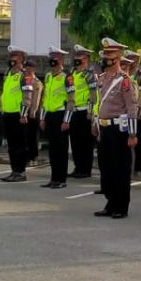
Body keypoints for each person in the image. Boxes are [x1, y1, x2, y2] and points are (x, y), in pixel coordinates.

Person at [94, 38, 138, 218]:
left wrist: (132, 134)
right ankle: (110, 202)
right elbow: (98, 103)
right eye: (105, 54)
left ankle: (121, 206)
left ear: (118, 57)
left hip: (119, 130)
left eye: (109, 54)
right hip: (104, 128)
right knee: (106, 167)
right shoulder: (103, 78)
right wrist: (96, 124)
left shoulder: (124, 81)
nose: (105, 57)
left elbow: (132, 108)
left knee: (120, 168)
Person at [41, 47, 73, 189]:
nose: (52, 61)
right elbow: (44, 98)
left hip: (61, 115)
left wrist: (67, 120)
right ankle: (53, 178)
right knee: (52, 149)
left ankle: (61, 179)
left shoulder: (67, 78)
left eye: (55, 58)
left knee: (61, 149)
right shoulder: (48, 76)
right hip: (50, 115)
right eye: (51, 58)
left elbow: (71, 101)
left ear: (60, 61)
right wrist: (42, 118)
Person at [68, 45, 98, 179]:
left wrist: (91, 112)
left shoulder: (90, 74)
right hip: (73, 111)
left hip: (85, 112)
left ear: (86, 59)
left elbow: (93, 95)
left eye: (80, 57)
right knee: (75, 142)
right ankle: (78, 167)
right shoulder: (72, 73)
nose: (77, 59)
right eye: (76, 56)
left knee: (86, 143)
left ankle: (86, 169)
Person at [0, 45, 29, 182]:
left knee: (19, 145)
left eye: (15, 57)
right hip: (8, 113)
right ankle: (14, 170)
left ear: (21, 59)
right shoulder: (8, 74)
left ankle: (20, 172)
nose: (12, 59)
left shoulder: (24, 75)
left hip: (18, 115)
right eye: (11, 56)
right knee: (11, 145)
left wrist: (23, 114)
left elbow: (27, 96)